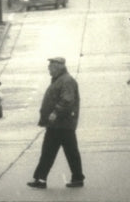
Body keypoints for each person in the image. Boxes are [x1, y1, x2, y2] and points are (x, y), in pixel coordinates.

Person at [27, 56, 85, 190]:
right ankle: (76, 178)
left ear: (58, 67)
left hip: (61, 124)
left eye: (51, 67)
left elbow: (67, 100)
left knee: (51, 151)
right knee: (65, 151)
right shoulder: (60, 80)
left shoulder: (66, 81)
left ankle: (41, 179)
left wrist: (55, 112)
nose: (49, 70)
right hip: (60, 125)